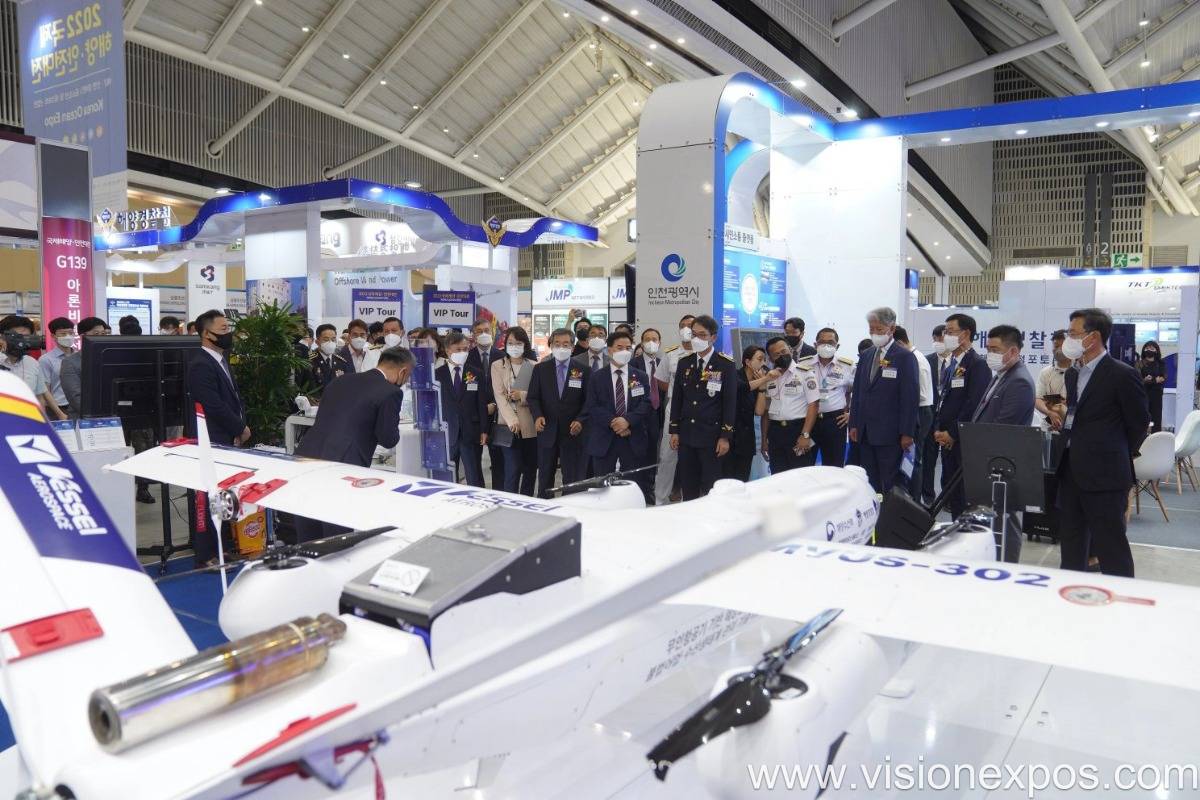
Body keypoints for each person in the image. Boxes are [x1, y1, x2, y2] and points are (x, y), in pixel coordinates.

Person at [1056, 308, 1149, 578]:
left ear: (1093, 337)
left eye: (1073, 334)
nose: (1068, 340)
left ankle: (1122, 598)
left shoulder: (1122, 374)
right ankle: (1069, 593)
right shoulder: (1073, 374)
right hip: (1071, 470)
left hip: (1106, 475)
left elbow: (1138, 423)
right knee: (1071, 544)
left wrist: (1112, 451)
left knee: (1111, 547)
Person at [295, 347, 413, 541]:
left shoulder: (341, 380)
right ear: (403, 371)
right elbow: (388, 438)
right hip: (343, 463)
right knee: (336, 532)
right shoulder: (390, 392)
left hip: (307, 455)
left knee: (307, 525)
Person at [188, 309, 249, 565]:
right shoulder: (201, 364)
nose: (228, 334)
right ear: (206, 333)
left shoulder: (221, 360)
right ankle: (206, 554)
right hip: (210, 439)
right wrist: (239, 427)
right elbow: (212, 404)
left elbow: (232, 398)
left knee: (222, 496)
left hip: (225, 438)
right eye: (223, 329)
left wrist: (239, 426)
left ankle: (221, 547)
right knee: (207, 497)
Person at [848, 307, 918, 494]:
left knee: (890, 482)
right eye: (871, 329)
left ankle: (890, 513)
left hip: (891, 434)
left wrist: (907, 432)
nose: (874, 334)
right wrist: (854, 424)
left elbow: (910, 398)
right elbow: (858, 392)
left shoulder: (905, 357)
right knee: (870, 481)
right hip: (865, 431)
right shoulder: (867, 355)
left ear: (892, 329)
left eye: (879, 329)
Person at [580, 329, 654, 501]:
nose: (624, 351)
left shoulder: (640, 376)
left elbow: (646, 403)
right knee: (602, 488)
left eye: (628, 348)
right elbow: (592, 406)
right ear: (609, 350)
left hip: (632, 437)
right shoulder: (597, 377)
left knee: (632, 486)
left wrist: (627, 421)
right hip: (604, 439)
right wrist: (616, 422)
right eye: (620, 347)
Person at [670, 315, 737, 500]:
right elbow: (677, 399)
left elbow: (730, 403)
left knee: (711, 487)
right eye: (694, 334)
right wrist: (674, 430)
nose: (696, 339)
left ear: (713, 337)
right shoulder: (685, 362)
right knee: (688, 486)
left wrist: (725, 436)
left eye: (702, 335)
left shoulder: (725, 364)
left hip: (712, 437)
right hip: (687, 435)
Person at [932, 313, 991, 516]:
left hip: (962, 440)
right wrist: (939, 429)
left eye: (950, 332)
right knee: (952, 494)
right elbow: (945, 398)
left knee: (963, 495)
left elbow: (973, 404)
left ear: (965, 334)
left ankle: (964, 531)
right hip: (947, 438)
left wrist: (952, 433)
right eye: (945, 332)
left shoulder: (977, 364)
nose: (945, 336)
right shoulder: (953, 363)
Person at [528, 328, 590, 497]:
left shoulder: (583, 370)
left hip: (573, 432)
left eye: (566, 344)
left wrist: (581, 420)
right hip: (547, 430)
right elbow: (533, 397)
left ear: (572, 347)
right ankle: (545, 506)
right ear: (551, 346)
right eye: (557, 344)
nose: (561, 348)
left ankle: (569, 507)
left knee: (571, 479)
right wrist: (537, 416)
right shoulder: (541, 369)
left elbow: (588, 401)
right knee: (545, 477)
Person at [756, 336, 820, 474]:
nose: (782, 355)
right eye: (776, 354)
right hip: (775, 432)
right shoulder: (769, 377)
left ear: (790, 350)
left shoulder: (805, 372)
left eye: (784, 351)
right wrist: (764, 440)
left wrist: (805, 434)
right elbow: (766, 412)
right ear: (771, 358)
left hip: (797, 430)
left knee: (800, 475)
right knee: (778, 475)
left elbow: (813, 405)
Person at [436, 330, 488, 487]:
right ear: (447, 350)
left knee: (473, 474)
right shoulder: (437, 375)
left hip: (470, 431)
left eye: (465, 349)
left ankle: (478, 498)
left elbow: (481, 404)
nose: (462, 352)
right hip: (447, 431)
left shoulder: (476, 373)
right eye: (458, 349)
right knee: (448, 474)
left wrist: (484, 430)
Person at [654, 314, 696, 504]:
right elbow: (661, 381)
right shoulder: (671, 354)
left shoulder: (705, 354)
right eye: (682, 325)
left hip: (699, 411)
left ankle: (691, 499)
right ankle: (660, 499)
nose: (686, 328)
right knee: (667, 456)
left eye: (690, 325)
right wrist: (675, 392)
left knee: (694, 456)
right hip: (674, 409)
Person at [492, 326, 538, 495]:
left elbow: (537, 395)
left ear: (525, 345)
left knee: (530, 469)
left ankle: (527, 501)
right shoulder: (498, 365)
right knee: (512, 469)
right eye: (510, 343)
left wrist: (522, 395)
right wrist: (513, 421)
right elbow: (500, 397)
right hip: (508, 425)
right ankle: (510, 502)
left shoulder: (534, 366)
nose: (514, 346)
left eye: (518, 343)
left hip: (530, 425)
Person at [893, 326, 933, 499]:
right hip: (914, 411)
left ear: (899, 343)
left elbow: (920, 394)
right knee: (908, 458)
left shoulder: (915, 359)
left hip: (919, 412)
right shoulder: (910, 357)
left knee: (912, 459)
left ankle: (914, 502)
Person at [1, 315, 66, 420]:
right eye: (18, 336)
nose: (22, 342)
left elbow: (40, 396)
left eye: (27, 337)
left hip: (27, 422)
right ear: (3, 337)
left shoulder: (32, 363)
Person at [467, 318, 506, 490]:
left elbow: (507, 385)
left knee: (498, 461)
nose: (483, 334)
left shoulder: (502, 356)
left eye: (486, 330)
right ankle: (478, 494)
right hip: (475, 417)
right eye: (479, 331)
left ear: (492, 332)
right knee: (473, 463)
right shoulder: (467, 357)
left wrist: (496, 405)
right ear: (473, 335)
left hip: (497, 416)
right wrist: (480, 408)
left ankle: (499, 493)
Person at [809, 327, 854, 468]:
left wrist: (851, 414)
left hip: (835, 421)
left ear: (837, 346)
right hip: (808, 421)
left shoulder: (847, 366)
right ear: (815, 345)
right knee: (804, 464)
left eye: (830, 342)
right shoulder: (804, 364)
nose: (826, 345)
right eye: (822, 342)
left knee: (834, 466)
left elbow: (861, 393)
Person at [724, 345, 770, 481]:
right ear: (748, 362)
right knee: (727, 479)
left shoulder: (759, 382)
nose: (763, 363)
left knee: (743, 478)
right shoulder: (734, 375)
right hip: (729, 436)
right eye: (760, 359)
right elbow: (742, 387)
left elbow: (759, 411)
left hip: (746, 438)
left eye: (765, 360)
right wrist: (765, 379)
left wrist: (762, 387)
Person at [922, 324, 948, 504]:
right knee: (928, 459)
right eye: (936, 338)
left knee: (949, 461)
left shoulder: (958, 363)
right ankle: (928, 497)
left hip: (949, 418)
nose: (939, 342)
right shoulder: (926, 361)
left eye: (942, 338)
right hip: (930, 417)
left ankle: (947, 498)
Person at [60, 316, 108, 416]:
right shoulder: (70, 362)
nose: (101, 337)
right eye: (96, 334)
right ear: (83, 336)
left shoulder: (109, 359)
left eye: (103, 334)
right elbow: (75, 397)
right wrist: (101, 413)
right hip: (84, 418)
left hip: (111, 415)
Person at [39, 317, 76, 417]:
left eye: (70, 333)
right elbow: (45, 390)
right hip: (58, 408)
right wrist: (59, 414)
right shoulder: (46, 360)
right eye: (63, 334)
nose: (68, 337)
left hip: (78, 406)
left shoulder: (80, 356)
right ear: (53, 336)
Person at [1036, 330, 1071, 432]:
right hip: (1049, 426)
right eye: (1055, 346)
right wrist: (1049, 413)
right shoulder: (1046, 372)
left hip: (1074, 427)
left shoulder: (1080, 371)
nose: (1057, 350)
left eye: (1061, 346)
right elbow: (1037, 399)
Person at [633, 328, 665, 440]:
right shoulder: (632, 364)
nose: (651, 342)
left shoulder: (663, 363)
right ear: (642, 344)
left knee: (654, 446)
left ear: (659, 343)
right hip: (638, 412)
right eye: (647, 340)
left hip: (657, 413)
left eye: (654, 339)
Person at [309, 323, 352, 390]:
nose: (330, 342)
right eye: (326, 340)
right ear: (317, 342)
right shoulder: (310, 361)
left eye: (333, 339)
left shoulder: (341, 362)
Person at [1139, 341, 1166, 431]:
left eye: (1152, 348)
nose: (1149, 350)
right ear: (1143, 350)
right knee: (1143, 417)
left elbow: (1163, 378)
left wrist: (1150, 380)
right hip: (1144, 394)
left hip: (1157, 395)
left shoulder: (1160, 363)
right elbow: (1137, 379)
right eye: (1147, 348)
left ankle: (1156, 436)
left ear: (1156, 350)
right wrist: (1148, 380)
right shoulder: (1140, 363)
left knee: (1156, 418)